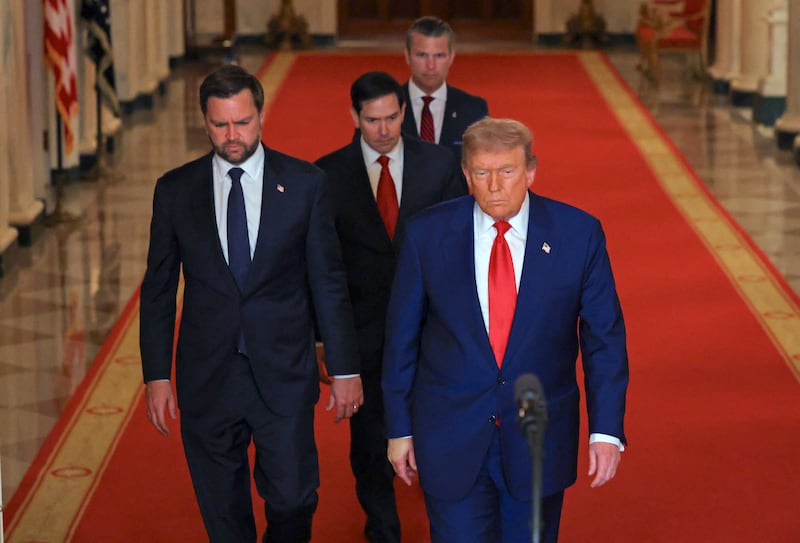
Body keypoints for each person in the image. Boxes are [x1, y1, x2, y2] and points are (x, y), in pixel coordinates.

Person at [139, 64, 363, 543]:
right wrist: (156, 376)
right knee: (223, 514)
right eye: (220, 125)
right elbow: (158, 288)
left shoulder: (305, 184)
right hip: (208, 374)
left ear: (261, 115)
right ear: (205, 121)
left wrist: (344, 367)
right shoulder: (176, 190)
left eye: (242, 122)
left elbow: (327, 280)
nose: (232, 135)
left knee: (294, 498)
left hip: (283, 370)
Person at [382, 117, 629, 543]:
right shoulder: (427, 234)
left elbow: (603, 340)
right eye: (482, 172)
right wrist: (399, 430)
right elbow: (401, 338)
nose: (495, 185)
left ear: (531, 171)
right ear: (466, 176)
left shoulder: (578, 234)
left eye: (508, 171)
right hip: (450, 436)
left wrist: (606, 430)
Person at [315, 71, 466, 543]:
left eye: (392, 118)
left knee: (441, 437)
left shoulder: (440, 165)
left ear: (404, 111)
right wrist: (327, 343)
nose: (383, 130)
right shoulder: (326, 174)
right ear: (354, 116)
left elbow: (457, 250)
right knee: (368, 445)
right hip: (363, 336)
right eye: (372, 120)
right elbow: (323, 268)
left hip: (430, 333)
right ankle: (382, 530)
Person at [402, 16, 489, 167]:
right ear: (407, 56)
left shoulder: (473, 109)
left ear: (451, 57)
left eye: (439, 56)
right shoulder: (385, 106)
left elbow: (485, 166)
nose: (431, 66)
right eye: (422, 55)